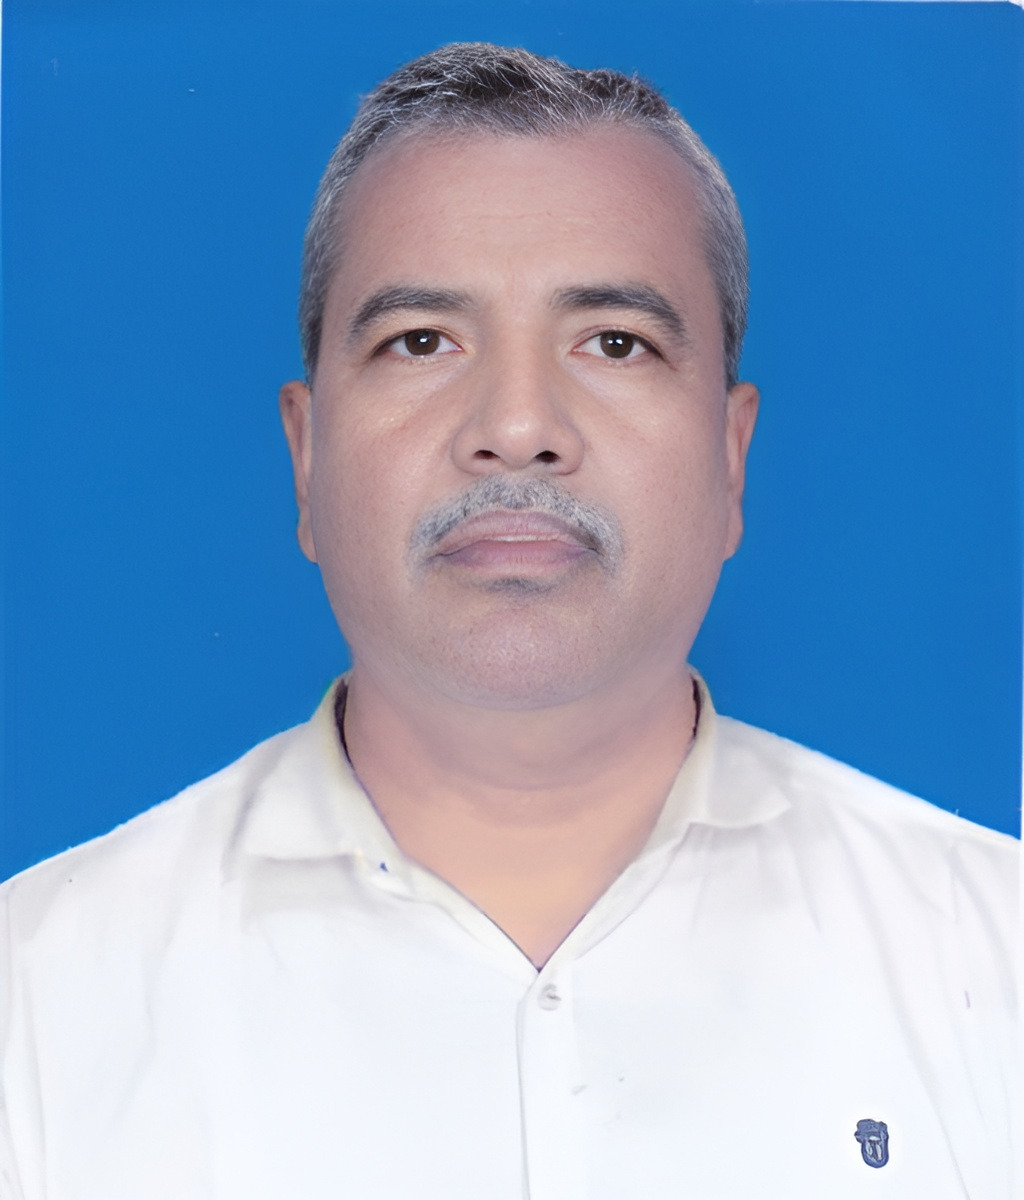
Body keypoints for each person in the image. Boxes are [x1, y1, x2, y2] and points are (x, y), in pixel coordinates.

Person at [0, 42, 1016, 1200]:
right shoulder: (34, 1002)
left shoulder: (991, 952)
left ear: (731, 457)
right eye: (421, 341)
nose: (519, 427)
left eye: (614, 342)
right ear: (306, 455)